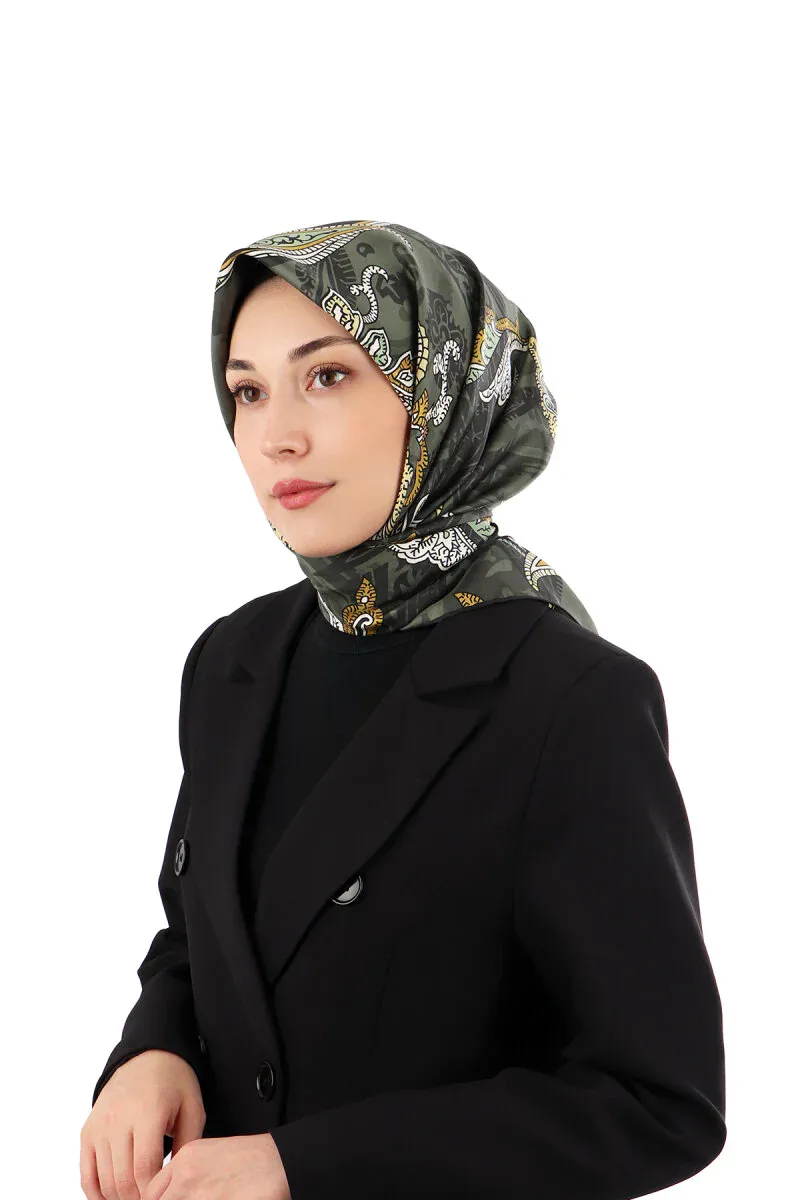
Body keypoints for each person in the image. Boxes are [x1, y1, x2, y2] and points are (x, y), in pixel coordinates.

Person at [81, 219, 726, 1200]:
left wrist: (304, 1167)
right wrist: (151, 1051)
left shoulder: (568, 699)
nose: (276, 434)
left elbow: (656, 1101)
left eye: (328, 375)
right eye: (247, 391)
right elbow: (207, 938)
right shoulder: (232, 660)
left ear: (440, 393)